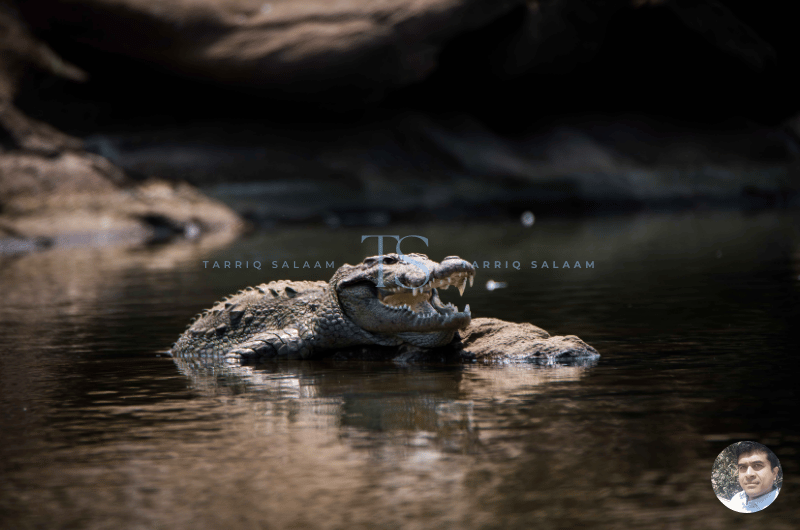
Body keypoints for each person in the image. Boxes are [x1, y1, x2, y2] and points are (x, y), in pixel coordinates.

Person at [723, 441, 781, 513]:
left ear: (774, 473)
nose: (749, 474)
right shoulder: (737, 499)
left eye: (757, 465)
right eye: (743, 467)